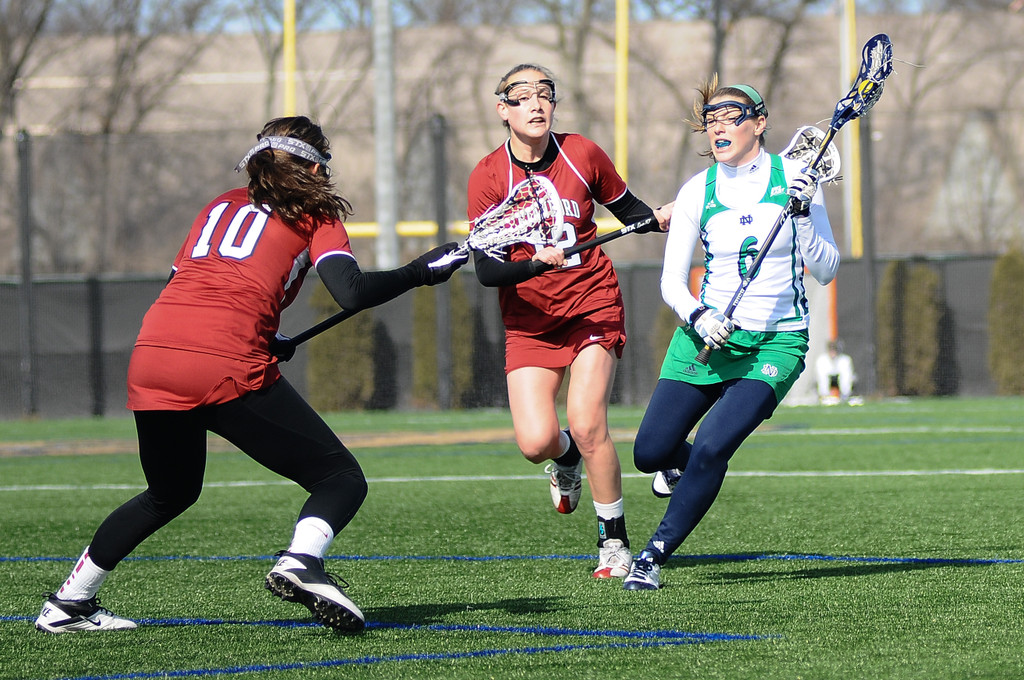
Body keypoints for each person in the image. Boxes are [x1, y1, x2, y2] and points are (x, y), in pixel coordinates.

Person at [34, 116, 467, 633]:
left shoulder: (219, 203)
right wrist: (421, 271)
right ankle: (301, 562)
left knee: (168, 492)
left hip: (152, 354)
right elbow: (350, 292)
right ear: (313, 164)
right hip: (221, 362)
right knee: (339, 478)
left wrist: (264, 337)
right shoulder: (314, 211)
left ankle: (68, 603)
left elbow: (194, 285)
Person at [622, 80, 840, 590]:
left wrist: (805, 212)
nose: (718, 126)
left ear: (759, 124)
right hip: (708, 338)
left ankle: (653, 555)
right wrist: (698, 315)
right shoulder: (698, 189)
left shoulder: (798, 179)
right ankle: (678, 468)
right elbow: (671, 281)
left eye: (731, 116)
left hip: (776, 341)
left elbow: (826, 269)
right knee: (649, 453)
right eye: (711, 119)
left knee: (713, 447)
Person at [467, 63, 672, 579]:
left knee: (586, 422)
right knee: (536, 442)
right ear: (502, 109)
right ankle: (565, 461)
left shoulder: (582, 153)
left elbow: (630, 211)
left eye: (544, 95)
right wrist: (536, 262)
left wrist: (663, 217)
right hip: (530, 319)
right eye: (521, 97)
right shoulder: (487, 175)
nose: (535, 105)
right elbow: (488, 270)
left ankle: (614, 541)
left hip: (591, 304)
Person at [815, 339, 858, 405]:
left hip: (840, 379)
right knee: (822, 376)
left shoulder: (845, 359)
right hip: (828, 379)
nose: (833, 352)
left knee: (845, 375)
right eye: (831, 350)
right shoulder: (822, 359)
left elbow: (850, 374)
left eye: (834, 349)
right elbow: (819, 375)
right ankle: (824, 397)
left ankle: (845, 396)